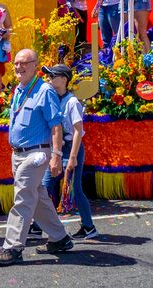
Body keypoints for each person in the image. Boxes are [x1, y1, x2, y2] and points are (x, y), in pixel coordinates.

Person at [0, 49, 71, 266]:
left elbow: (56, 126)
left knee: (23, 196)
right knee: (38, 197)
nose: (19, 67)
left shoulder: (45, 91)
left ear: (35, 65)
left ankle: (12, 247)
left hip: (37, 154)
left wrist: (56, 156)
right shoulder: (18, 89)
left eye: (24, 63)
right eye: (16, 63)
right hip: (19, 153)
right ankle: (59, 237)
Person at [39, 65, 97, 239]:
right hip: (56, 150)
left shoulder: (72, 102)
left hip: (71, 148)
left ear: (64, 79)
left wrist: (72, 158)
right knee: (44, 186)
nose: (49, 79)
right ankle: (36, 225)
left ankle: (89, 227)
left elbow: (78, 131)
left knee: (75, 189)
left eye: (53, 76)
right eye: (48, 76)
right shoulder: (51, 98)